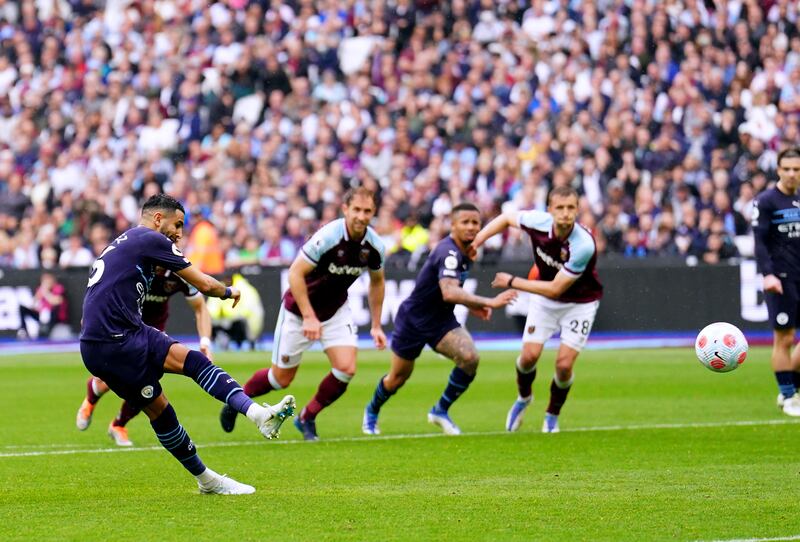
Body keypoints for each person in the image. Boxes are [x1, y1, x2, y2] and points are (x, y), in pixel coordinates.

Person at [79, 194, 295, 495]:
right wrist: (228, 291)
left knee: (166, 400)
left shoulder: (123, 241)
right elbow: (205, 284)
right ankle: (245, 430)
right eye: (177, 225)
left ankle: (221, 461)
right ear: (158, 219)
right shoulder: (150, 239)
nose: (179, 233)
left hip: (102, 342)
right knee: (182, 379)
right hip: (118, 339)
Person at [219, 187, 387, 441]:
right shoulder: (328, 237)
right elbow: (295, 273)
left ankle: (307, 417)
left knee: (346, 368)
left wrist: (376, 325)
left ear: (373, 213)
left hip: (335, 311)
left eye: (367, 211)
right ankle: (237, 401)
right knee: (280, 378)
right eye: (356, 210)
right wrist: (309, 316)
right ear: (345, 209)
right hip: (298, 310)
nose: (361, 216)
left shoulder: (374, 245)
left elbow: (377, 282)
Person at [362, 203, 517, 435]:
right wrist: (488, 302)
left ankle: (440, 411)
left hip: (441, 320)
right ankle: (371, 412)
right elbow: (449, 291)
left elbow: (452, 289)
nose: (471, 227)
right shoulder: (449, 252)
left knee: (470, 358)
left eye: (475, 222)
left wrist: (472, 306)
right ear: (452, 225)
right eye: (465, 222)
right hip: (413, 321)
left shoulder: (468, 250)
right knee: (397, 378)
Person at [470, 186, 603, 433]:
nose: (565, 213)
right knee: (529, 357)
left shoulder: (583, 244)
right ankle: (524, 398)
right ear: (549, 210)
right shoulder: (537, 222)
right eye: (559, 208)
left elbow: (555, 288)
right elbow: (506, 218)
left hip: (580, 303)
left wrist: (512, 282)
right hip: (545, 301)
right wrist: (478, 240)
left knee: (564, 366)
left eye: (570, 208)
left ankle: (552, 414)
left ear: (577, 209)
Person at [76, 263, 215, 447]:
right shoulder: (132, 263)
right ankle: (92, 397)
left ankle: (118, 425)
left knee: (147, 383)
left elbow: (200, 308)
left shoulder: (178, 270)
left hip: (153, 331)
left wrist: (205, 342)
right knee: (110, 380)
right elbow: (100, 291)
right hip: (123, 326)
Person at [752, 147, 800, 416]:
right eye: (788, 169)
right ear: (779, 170)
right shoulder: (767, 201)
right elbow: (758, 241)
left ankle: (789, 389)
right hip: (781, 278)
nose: (792, 174)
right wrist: (768, 273)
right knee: (784, 338)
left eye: (797, 169)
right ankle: (789, 396)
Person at [18, 271, 68, 339]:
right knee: (22, 308)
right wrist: (39, 294)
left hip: (54, 317)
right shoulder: (40, 289)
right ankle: (23, 330)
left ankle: (46, 331)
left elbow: (56, 301)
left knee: (50, 311)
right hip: (42, 315)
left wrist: (45, 292)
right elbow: (33, 304)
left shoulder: (58, 288)